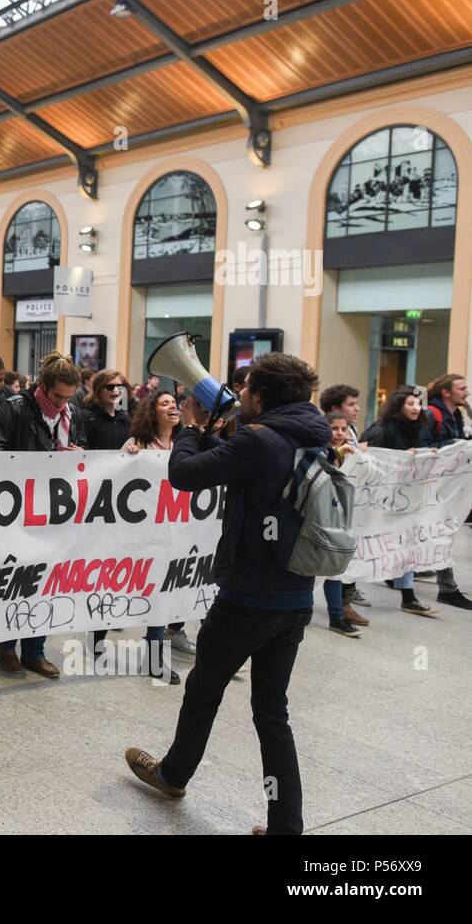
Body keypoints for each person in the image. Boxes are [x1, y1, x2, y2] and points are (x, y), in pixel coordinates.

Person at [125, 352, 330, 835]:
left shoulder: (261, 440)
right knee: (272, 712)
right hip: (297, 595)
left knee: (203, 690)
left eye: (248, 390)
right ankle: (285, 825)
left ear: (261, 396)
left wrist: (192, 428)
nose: (242, 396)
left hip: (249, 595)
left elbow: (184, 475)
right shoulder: (312, 436)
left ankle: (173, 775)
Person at [0, 352, 87, 679]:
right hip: (19, 509)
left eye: (68, 398)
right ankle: (6, 644)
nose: (62, 404)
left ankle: (35, 650)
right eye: (57, 396)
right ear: (43, 387)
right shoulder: (16, 408)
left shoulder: (71, 414)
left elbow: (83, 451)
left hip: (55, 510)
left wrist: (79, 456)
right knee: (16, 578)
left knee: (46, 582)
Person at [117, 390, 190, 681]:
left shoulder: (186, 443)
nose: (172, 406)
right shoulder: (140, 444)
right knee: (154, 592)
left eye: (174, 403)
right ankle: (148, 653)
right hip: (147, 533)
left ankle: (155, 652)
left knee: (165, 593)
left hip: (180, 531)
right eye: (165, 403)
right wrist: (128, 456)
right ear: (153, 411)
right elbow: (117, 476)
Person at [360, 387, 438, 616]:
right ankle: (346, 590)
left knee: (407, 545)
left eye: (418, 404)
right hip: (377, 501)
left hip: (401, 500)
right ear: (398, 407)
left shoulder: (416, 429)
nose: (416, 408)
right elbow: (372, 465)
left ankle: (408, 595)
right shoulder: (380, 431)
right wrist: (405, 458)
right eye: (410, 404)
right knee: (366, 544)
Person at [419, 374, 472, 609]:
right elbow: (422, 446)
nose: (467, 393)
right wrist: (453, 446)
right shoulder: (432, 414)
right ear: (446, 392)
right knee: (441, 532)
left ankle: (400, 574)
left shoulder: (457, 415)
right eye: (462, 388)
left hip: (448, 485)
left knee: (438, 531)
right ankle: (447, 588)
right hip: (433, 485)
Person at [318, 383, 370, 607]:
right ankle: (338, 609)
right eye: (352, 404)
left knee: (339, 561)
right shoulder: (320, 441)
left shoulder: (353, 432)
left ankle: (341, 607)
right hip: (325, 509)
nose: (357, 408)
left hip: (344, 507)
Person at [321, 412, 367, 636]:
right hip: (319, 518)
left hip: (340, 519)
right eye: (334, 428)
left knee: (335, 570)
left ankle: (336, 616)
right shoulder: (318, 450)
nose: (339, 433)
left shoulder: (354, 454)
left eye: (343, 429)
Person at [81, 369, 131, 451]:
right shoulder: (87, 417)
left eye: (119, 387)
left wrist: (132, 448)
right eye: (110, 387)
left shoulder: (125, 418)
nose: (116, 391)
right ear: (99, 390)